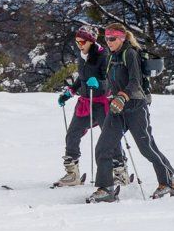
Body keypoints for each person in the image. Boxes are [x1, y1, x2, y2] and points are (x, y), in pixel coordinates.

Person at [86, 23, 174, 202]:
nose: (108, 42)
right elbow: (112, 81)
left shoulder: (129, 53)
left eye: (112, 38)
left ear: (122, 38)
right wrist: (98, 84)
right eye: (106, 38)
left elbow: (135, 82)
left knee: (147, 148)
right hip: (117, 108)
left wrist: (122, 97)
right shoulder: (111, 57)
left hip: (136, 106)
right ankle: (106, 188)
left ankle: (169, 181)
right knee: (103, 148)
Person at [55, 25, 128, 187]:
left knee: (110, 137)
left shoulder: (104, 55)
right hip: (85, 102)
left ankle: (120, 171)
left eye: (82, 41)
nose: (79, 45)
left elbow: (111, 80)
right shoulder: (82, 56)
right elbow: (82, 77)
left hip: (103, 102)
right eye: (77, 41)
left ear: (91, 41)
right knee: (72, 134)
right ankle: (72, 174)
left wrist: (100, 83)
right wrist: (71, 91)